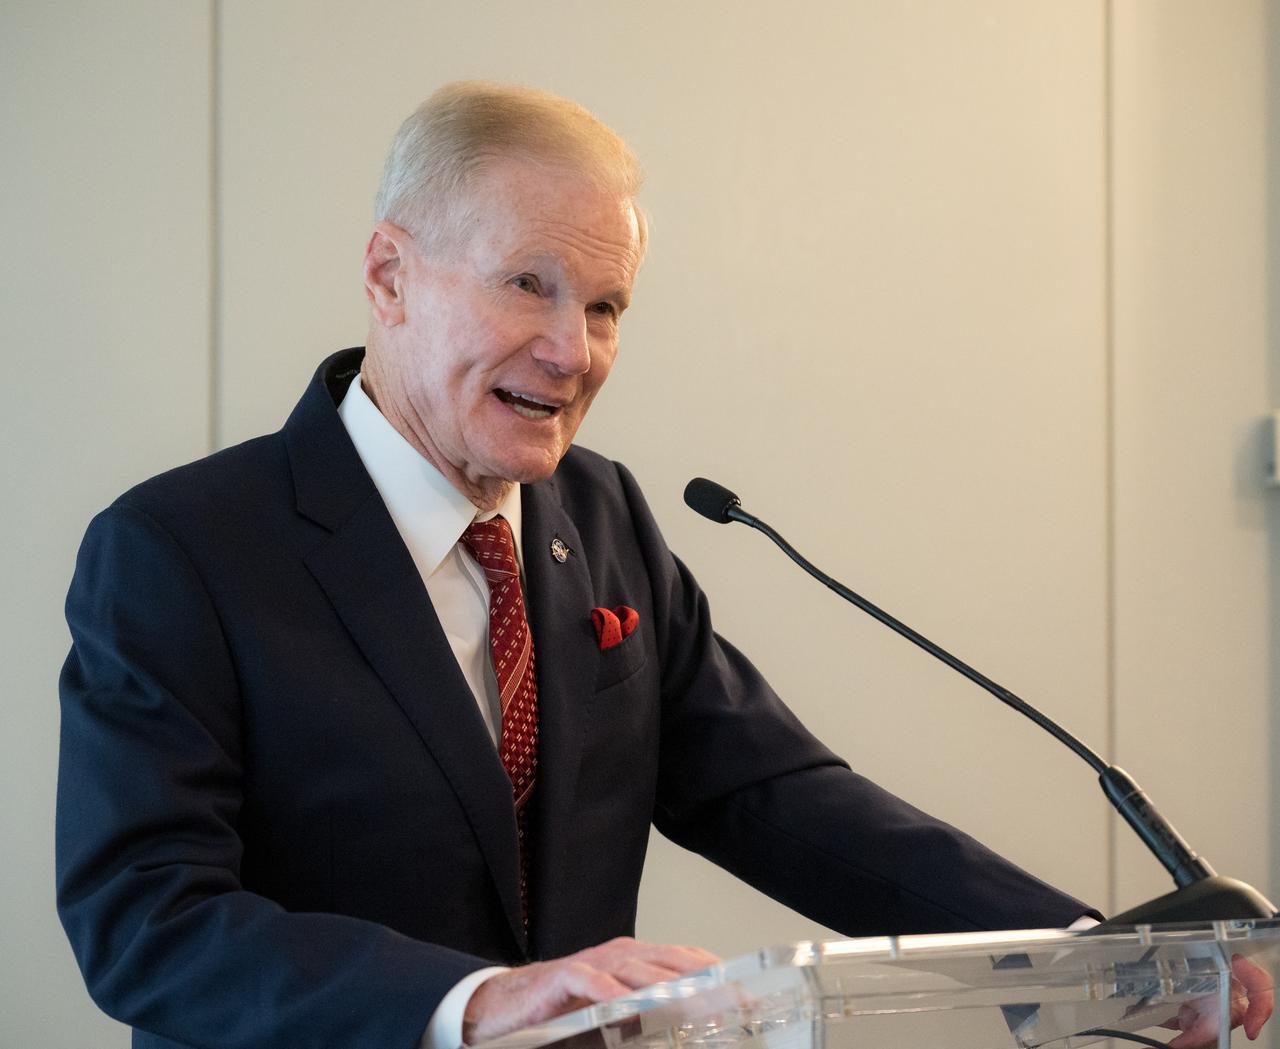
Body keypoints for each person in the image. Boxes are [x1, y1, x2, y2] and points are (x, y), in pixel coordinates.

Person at [55, 82, 1264, 1049]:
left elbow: (777, 798)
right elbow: (150, 924)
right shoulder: (181, 550)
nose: (572, 350)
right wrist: (474, 1003)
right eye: (528, 283)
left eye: (608, 304)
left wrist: (1096, 962)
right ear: (389, 277)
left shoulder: (600, 512)